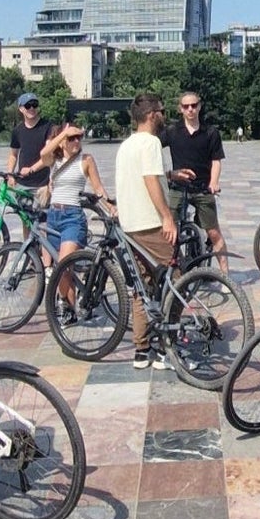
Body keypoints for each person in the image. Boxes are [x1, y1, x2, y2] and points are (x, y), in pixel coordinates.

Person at [112, 94, 178, 369]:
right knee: (176, 282)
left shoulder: (126, 145)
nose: (165, 115)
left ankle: (142, 350)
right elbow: (150, 181)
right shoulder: (151, 142)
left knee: (142, 288)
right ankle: (166, 347)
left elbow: (143, 179)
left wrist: (172, 175)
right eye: (162, 111)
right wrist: (167, 218)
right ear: (152, 115)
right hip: (151, 225)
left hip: (130, 226)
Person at [30, 123, 106, 320]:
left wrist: (111, 207)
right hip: (54, 216)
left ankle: (73, 298)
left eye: (79, 137)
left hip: (73, 217)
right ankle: (70, 307)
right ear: (62, 142)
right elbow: (44, 152)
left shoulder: (86, 160)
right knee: (63, 271)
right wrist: (64, 132)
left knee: (64, 263)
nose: (76, 141)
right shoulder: (53, 160)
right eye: (72, 138)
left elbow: (98, 188)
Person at [163, 90, 230, 272]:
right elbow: (152, 149)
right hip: (178, 188)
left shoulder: (210, 132)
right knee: (170, 231)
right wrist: (168, 173)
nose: (190, 109)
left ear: (199, 106)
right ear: (180, 109)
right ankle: (173, 271)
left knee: (213, 232)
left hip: (202, 188)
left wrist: (213, 182)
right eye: (186, 106)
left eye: (194, 105)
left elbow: (216, 161)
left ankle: (225, 275)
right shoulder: (172, 131)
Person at [7, 93, 55, 196]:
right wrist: (10, 174)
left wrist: (31, 169)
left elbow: (48, 155)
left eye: (35, 104)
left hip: (43, 184)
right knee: (21, 212)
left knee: (42, 212)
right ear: (21, 109)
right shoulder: (17, 131)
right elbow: (13, 155)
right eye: (28, 105)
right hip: (22, 183)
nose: (32, 108)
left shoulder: (48, 127)